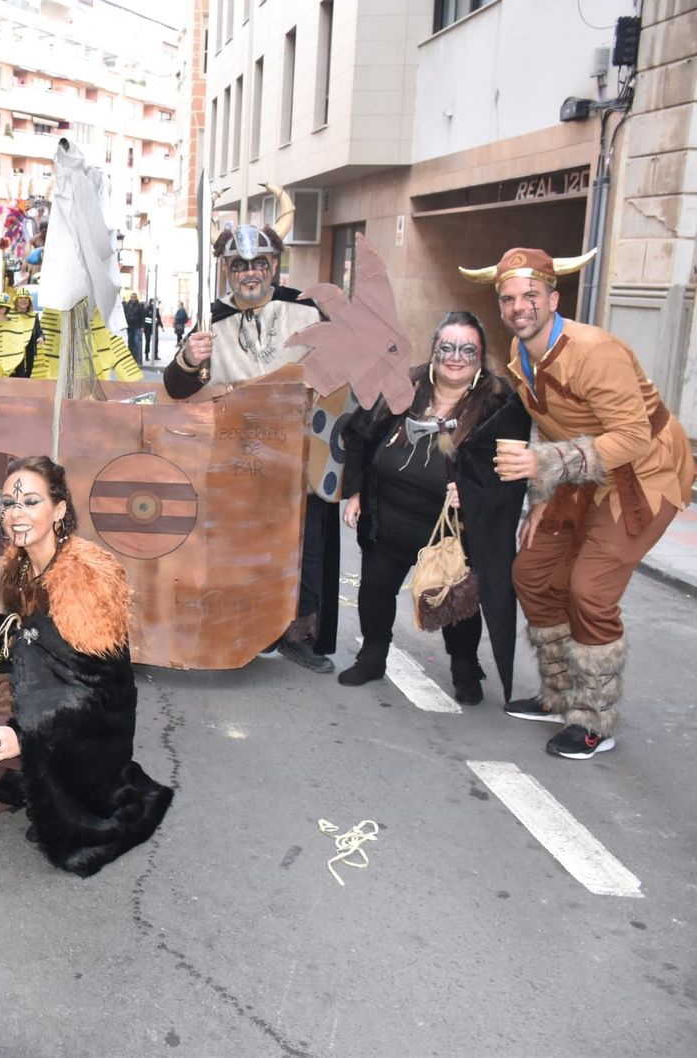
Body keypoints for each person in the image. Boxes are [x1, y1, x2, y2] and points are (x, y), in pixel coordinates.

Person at [463, 247, 695, 759]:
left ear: (553, 298)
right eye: (508, 299)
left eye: (530, 296)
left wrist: (543, 467)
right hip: (580, 472)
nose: (519, 307)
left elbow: (633, 436)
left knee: (590, 591)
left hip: (643, 473)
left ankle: (593, 719)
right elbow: (551, 426)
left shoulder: (594, 350)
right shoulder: (521, 352)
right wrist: (543, 497)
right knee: (533, 574)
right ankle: (560, 694)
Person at [0, 456, 173, 877]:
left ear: (59, 509)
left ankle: (58, 793)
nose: (16, 514)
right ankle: (32, 788)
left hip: (86, 732)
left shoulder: (84, 577)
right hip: (43, 699)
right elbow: (23, 639)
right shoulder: (24, 565)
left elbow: (100, 691)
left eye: (30, 501)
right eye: (8, 503)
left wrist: (23, 735)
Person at [162, 204, 339, 674]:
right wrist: (186, 358)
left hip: (299, 456)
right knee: (244, 547)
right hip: (241, 458)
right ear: (227, 270)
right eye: (240, 266)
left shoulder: (305, 312)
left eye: (259, 264)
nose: (250, 274)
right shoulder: (211, 323)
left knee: (305, 547)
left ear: (273, 267)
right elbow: (177, 389)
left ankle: (299, 633)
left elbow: (339, 378)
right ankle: (250, 626)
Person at [336, 312, 530, 703]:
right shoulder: (405, 386)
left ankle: (463, 667)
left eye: (467, 350)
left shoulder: (499, 403)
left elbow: (510, 468)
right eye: (447, 347)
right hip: (388, 516)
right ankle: (373, 656)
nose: (455, 357)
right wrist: (355, 491)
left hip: (452, 529)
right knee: (375, 589)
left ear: (480, 356)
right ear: (434, 350)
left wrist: (476, 493)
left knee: (456, 601)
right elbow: (358, 433)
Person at [123, 292, 146, 369]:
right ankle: (130, 359)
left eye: (134, 297)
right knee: (130, 343)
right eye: (132, 297)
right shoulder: (127, 305)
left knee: (136, 343)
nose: (133, 298)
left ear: (136, 298)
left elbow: (143, 316)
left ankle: (135, 359)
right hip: (129, 327)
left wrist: (142, 326)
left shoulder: (139, 306)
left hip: (137, 326)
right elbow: (125, 315)